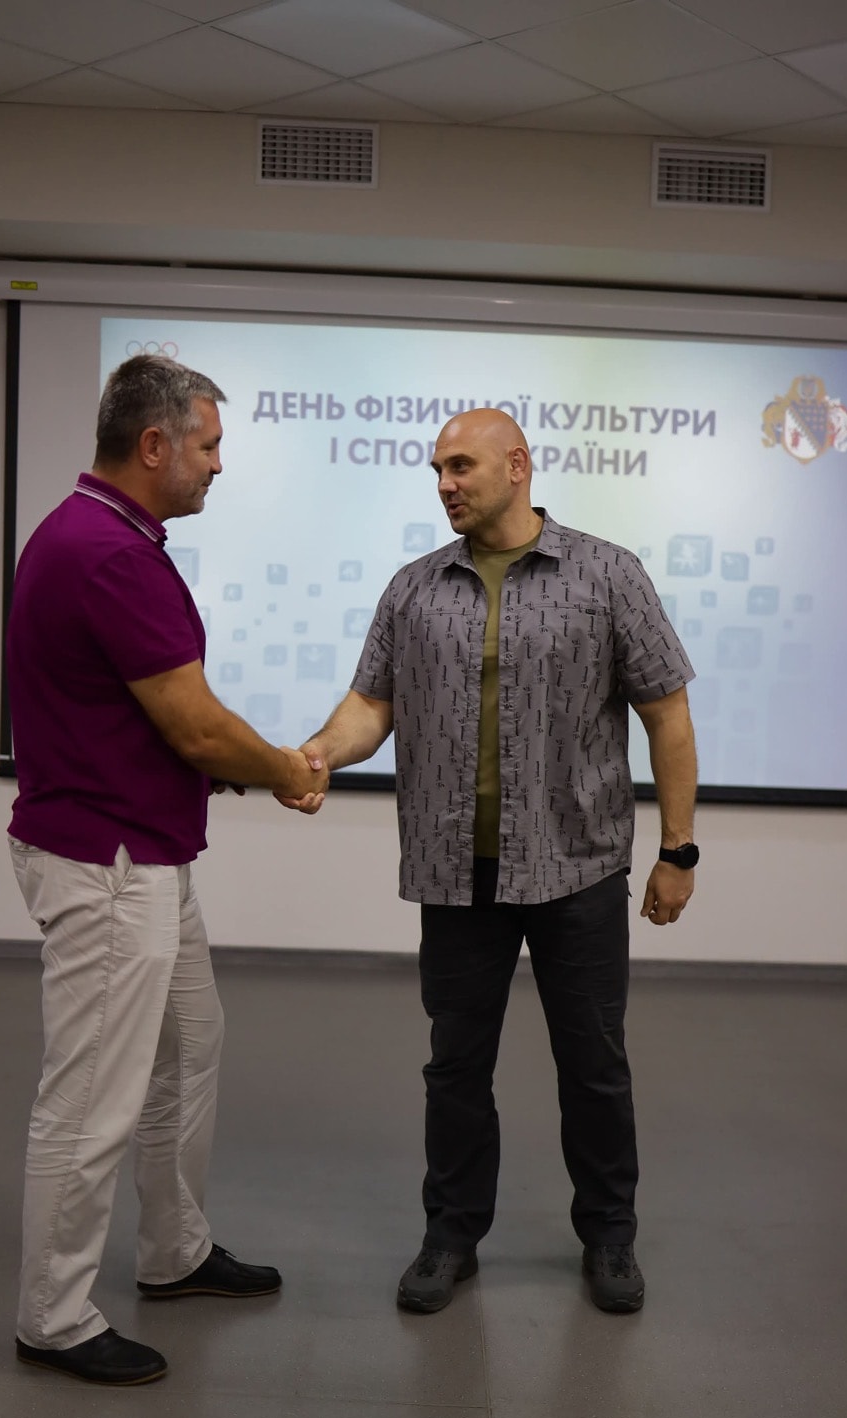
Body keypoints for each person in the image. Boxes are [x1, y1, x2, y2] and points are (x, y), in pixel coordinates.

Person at [284, 407, 697, 1315]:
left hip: (576, 866)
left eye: (461, 466)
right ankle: (450, 1236)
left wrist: (678, 849)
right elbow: (369, 706)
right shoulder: (413, 589)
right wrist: (315, 754)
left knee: (593, 1065)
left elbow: (666, 711)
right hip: (454, 873)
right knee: (455, 1068)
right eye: (437, 470)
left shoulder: (607, 574)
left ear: (517, 465)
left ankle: (609, 1236)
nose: (445, 484)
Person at [6, 354, 326, 1385]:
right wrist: (283, 769)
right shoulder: (108, 553)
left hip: (139, 850)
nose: (218, 465)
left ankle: (173, 1250)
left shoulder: (100, 535)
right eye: (209, 444)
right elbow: (191, 725)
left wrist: (238, 763)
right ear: (154, 445)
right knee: (92, 1095)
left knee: (187, 1046)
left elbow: (147, 717)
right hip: (107, 866)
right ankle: (53, 1316)